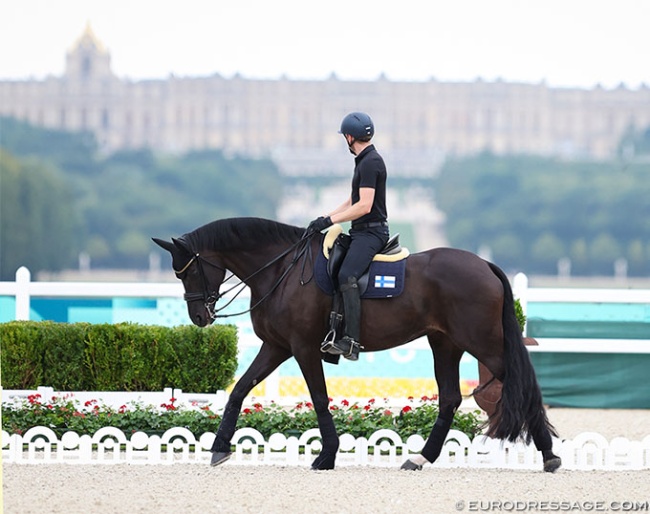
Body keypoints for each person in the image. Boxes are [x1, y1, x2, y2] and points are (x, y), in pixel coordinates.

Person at [307, 112, 389, 361]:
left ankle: (351, 340)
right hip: (360, 231)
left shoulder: (370, 162)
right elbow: (353, 199)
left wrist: (330, 221)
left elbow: (364, 206)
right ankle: (333, 332)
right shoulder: (364, 160)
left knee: (347, 275)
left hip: (371, 232)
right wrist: (324, 218)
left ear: (350, 137)